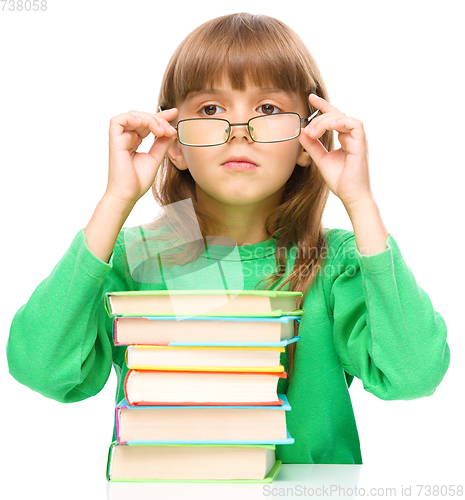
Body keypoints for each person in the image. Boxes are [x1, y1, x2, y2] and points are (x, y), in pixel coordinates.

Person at [7, 12, 450, 465]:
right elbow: (42, 369)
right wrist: (116, 200)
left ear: (306, 140)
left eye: (269, 109)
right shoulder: (133, 259)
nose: (240, 133)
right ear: (175, 142)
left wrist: (360, 201)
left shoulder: (335, 262)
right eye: (211, 110)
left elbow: (413, 375)